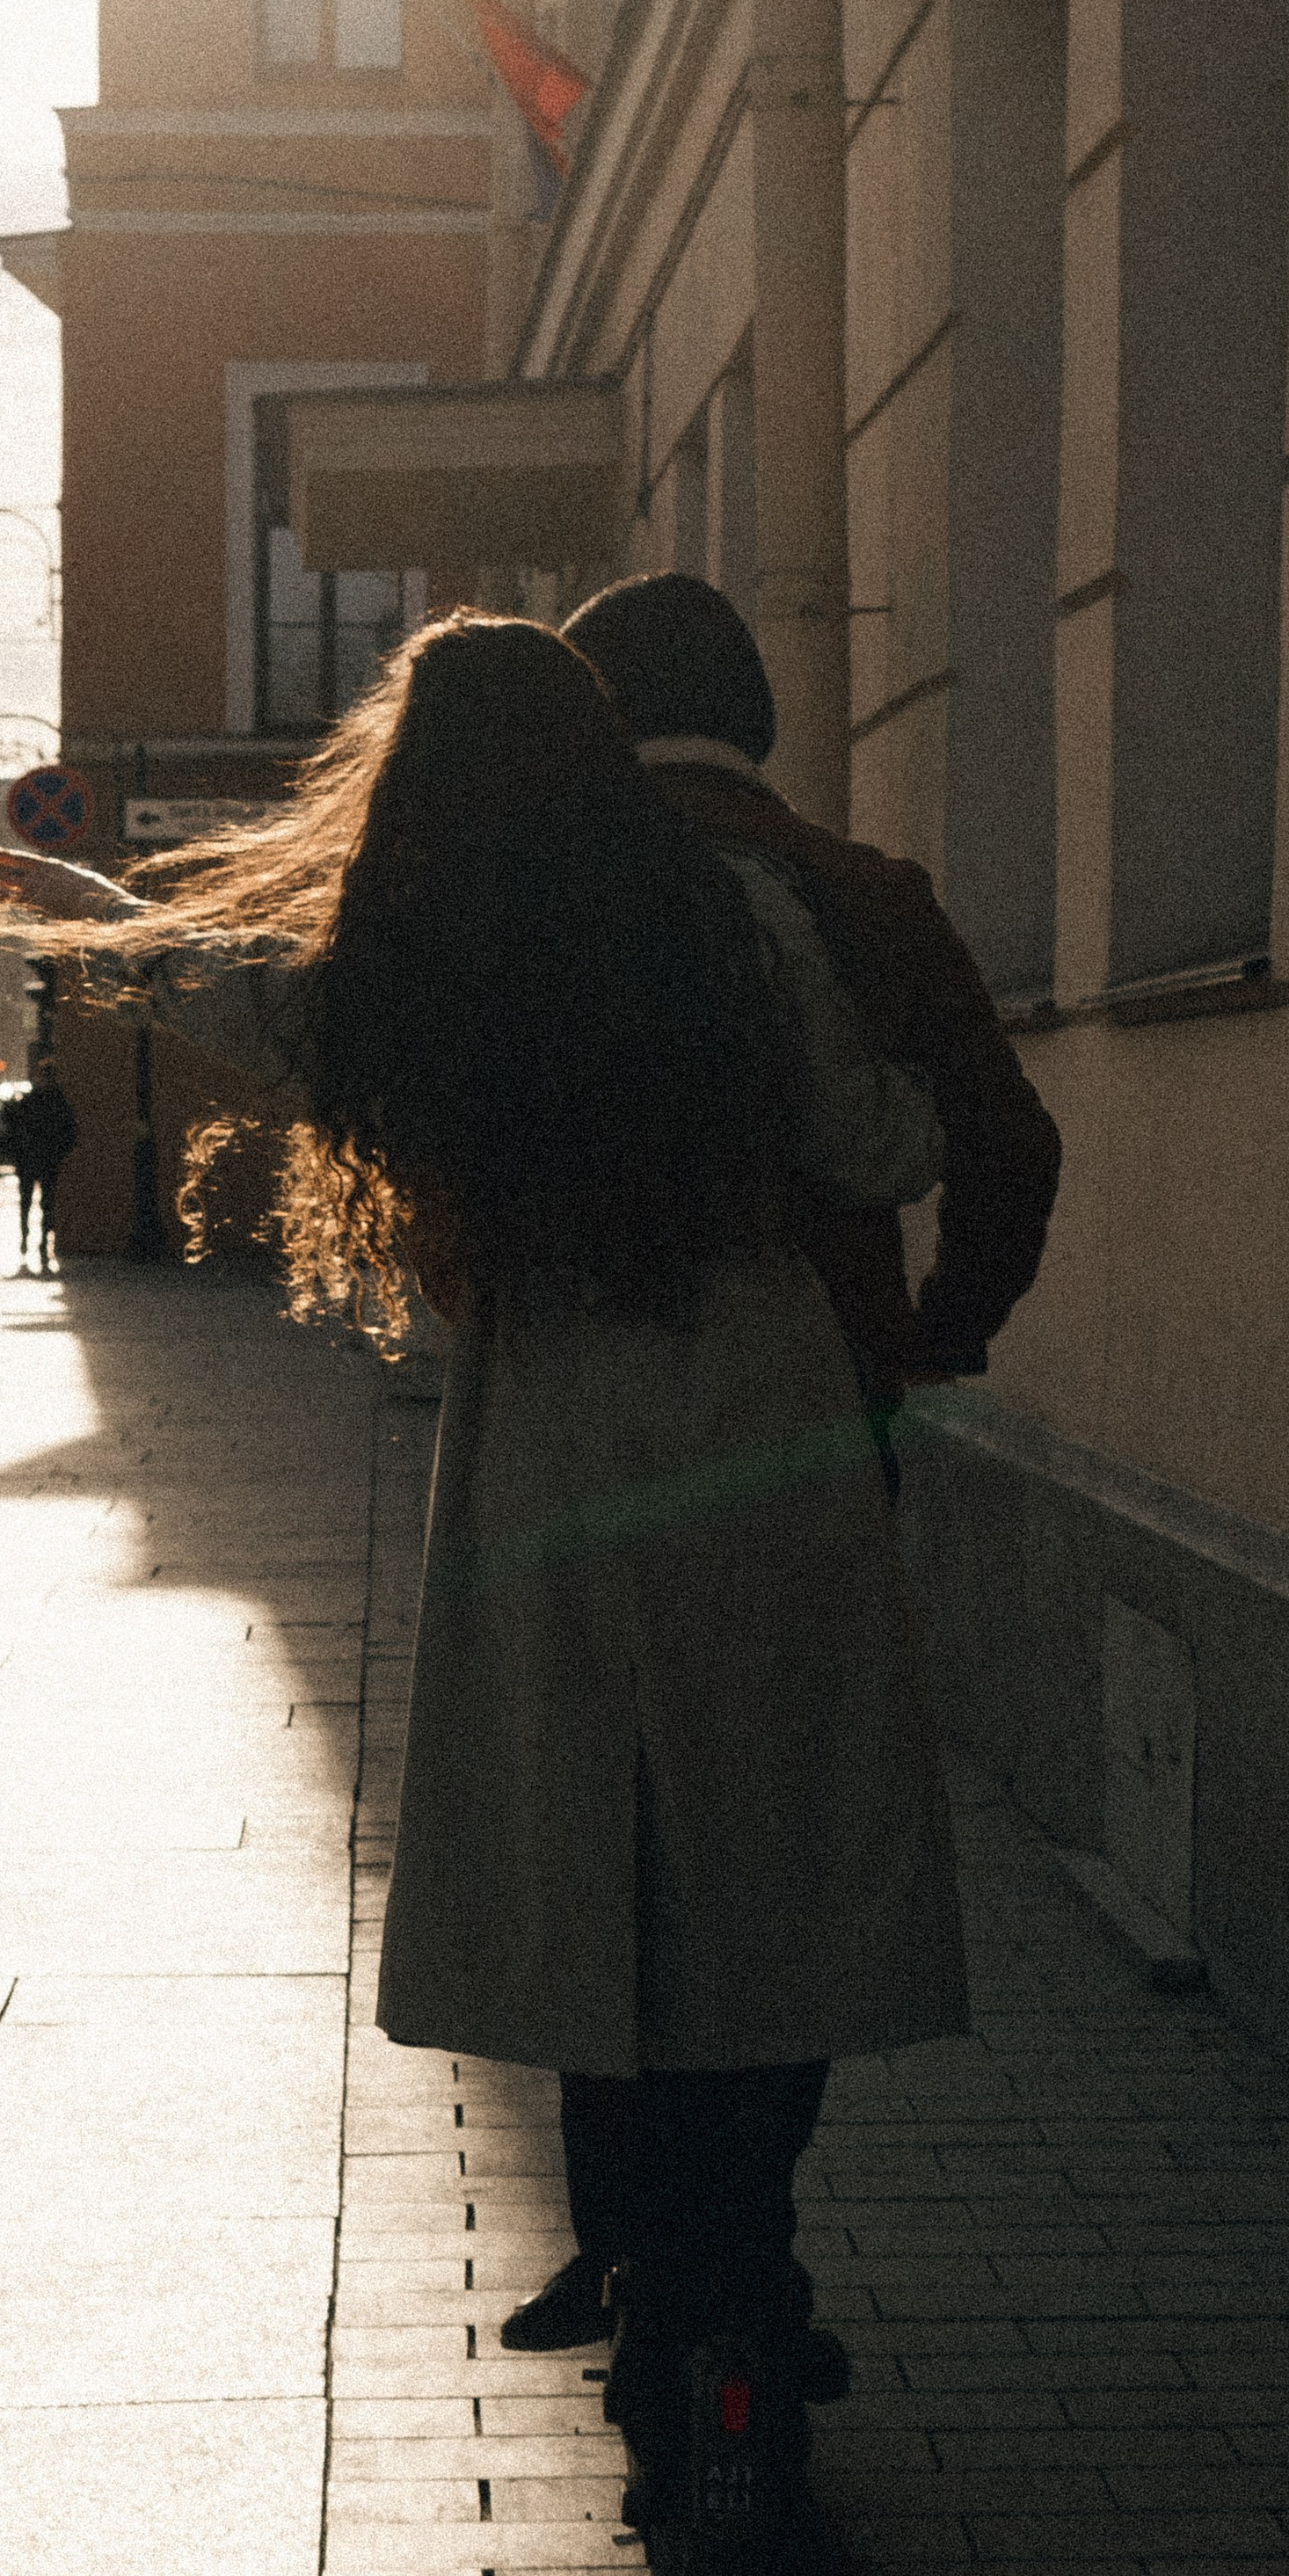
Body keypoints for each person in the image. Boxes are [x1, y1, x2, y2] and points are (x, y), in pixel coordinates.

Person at [0, 614, 968, 2576]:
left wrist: (88, 905)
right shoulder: (739, 919)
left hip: (554, 1465)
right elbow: (887, 1143)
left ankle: (660, 2329)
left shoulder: (429, 974)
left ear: (426, 787)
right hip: (763, 1436)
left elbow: (245, 996)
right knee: (763, 1869)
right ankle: (746, 2277)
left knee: (599, 1882)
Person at [486, 571, 1063, 2362]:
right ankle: (749, 2237)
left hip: (567, 1457)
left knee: (599, 1830)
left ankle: (621, 2234)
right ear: (758, 718)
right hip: (806, 1445)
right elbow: (1005, 1145)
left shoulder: (538, 902)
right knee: (782, 1844)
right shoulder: (863, 897)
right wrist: (934, 1331)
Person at [4, 1056, 78, 1271]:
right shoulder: (55, 1101)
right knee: (35, 1203)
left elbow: (15, 1130)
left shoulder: (31, 1101)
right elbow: (70, 1132)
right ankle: (34, 1240)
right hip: (39, 1159)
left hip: (38, 1159)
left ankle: (38, 1241)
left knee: (39, 1203)